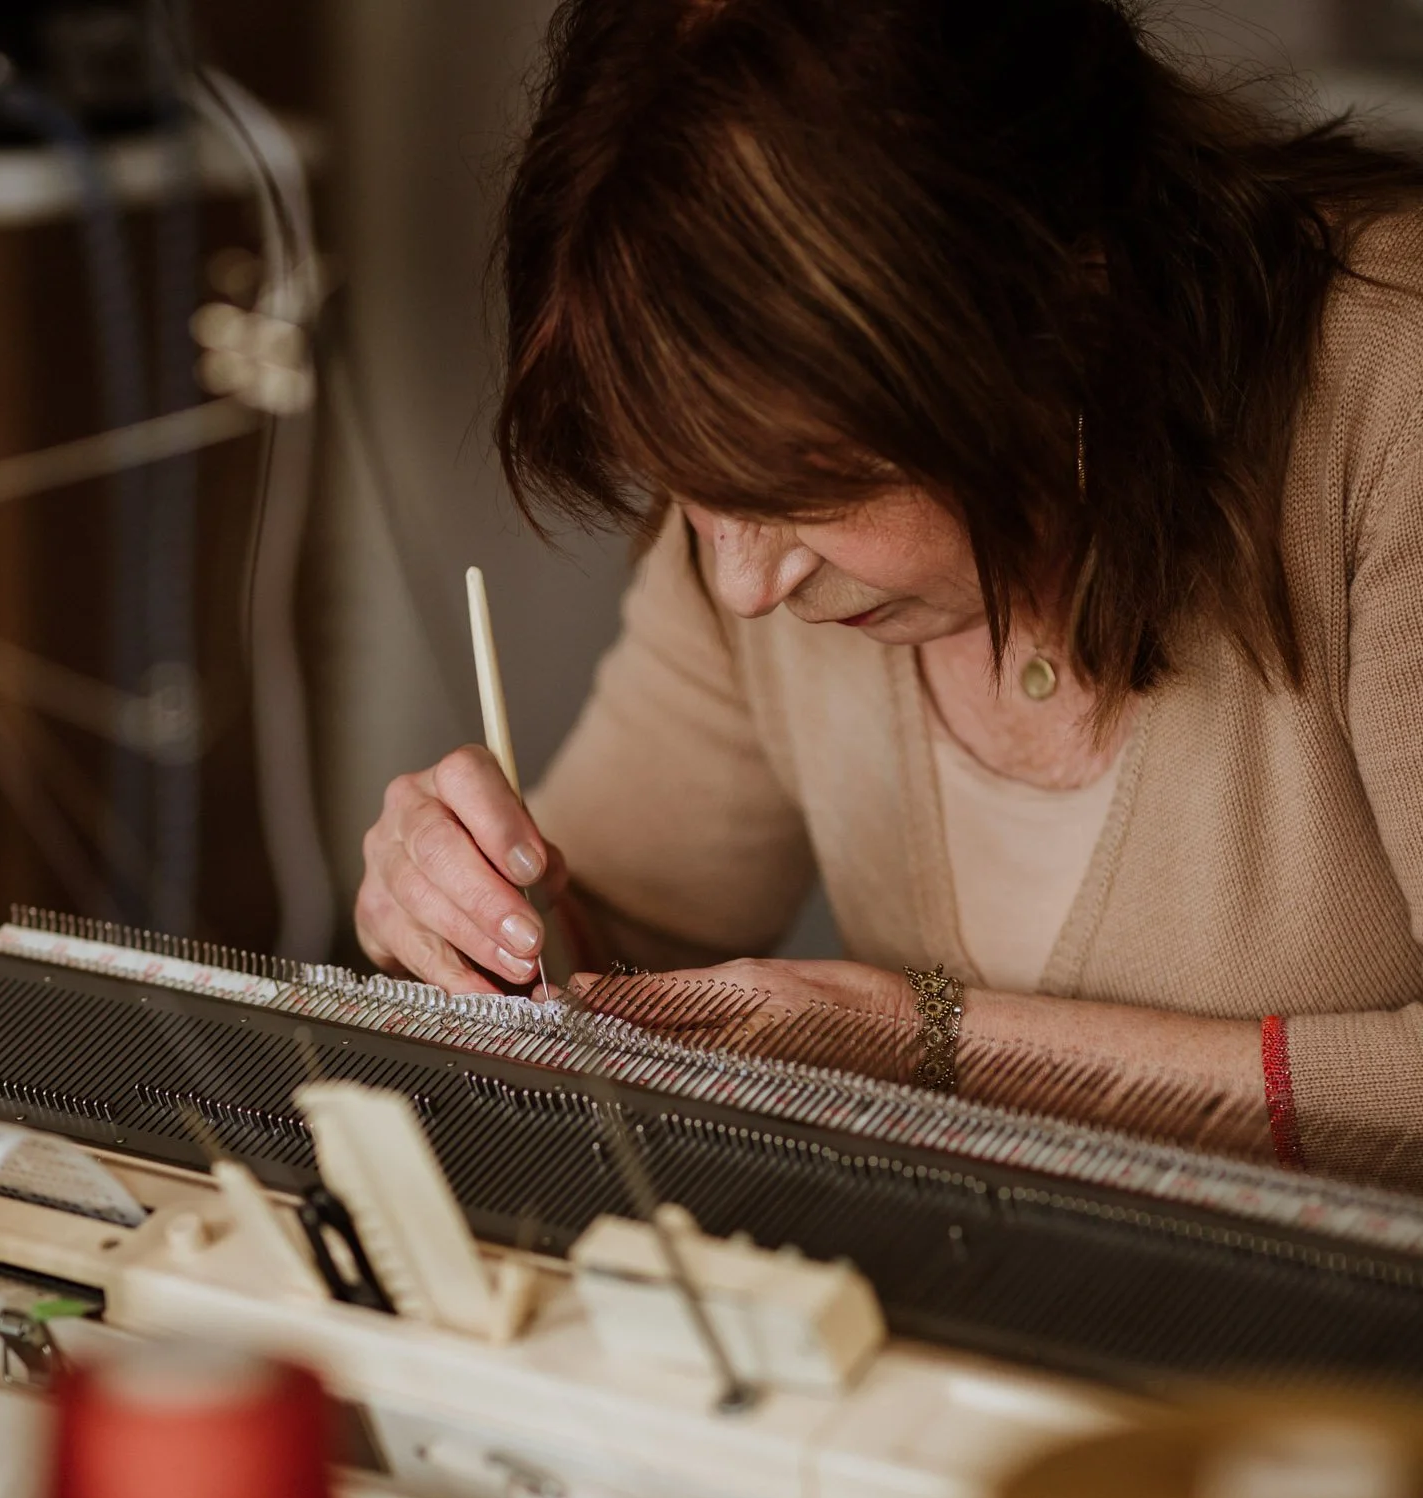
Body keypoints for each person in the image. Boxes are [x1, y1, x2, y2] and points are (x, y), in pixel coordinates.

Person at [355, 0, 1423, 1184]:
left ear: (1063, 310)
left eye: (805, 489)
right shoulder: (749, 524)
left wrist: (930, 1047)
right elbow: (610, 933)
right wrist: (456, 916)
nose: (742, 584)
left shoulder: (1394, 394)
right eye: (688, 489)